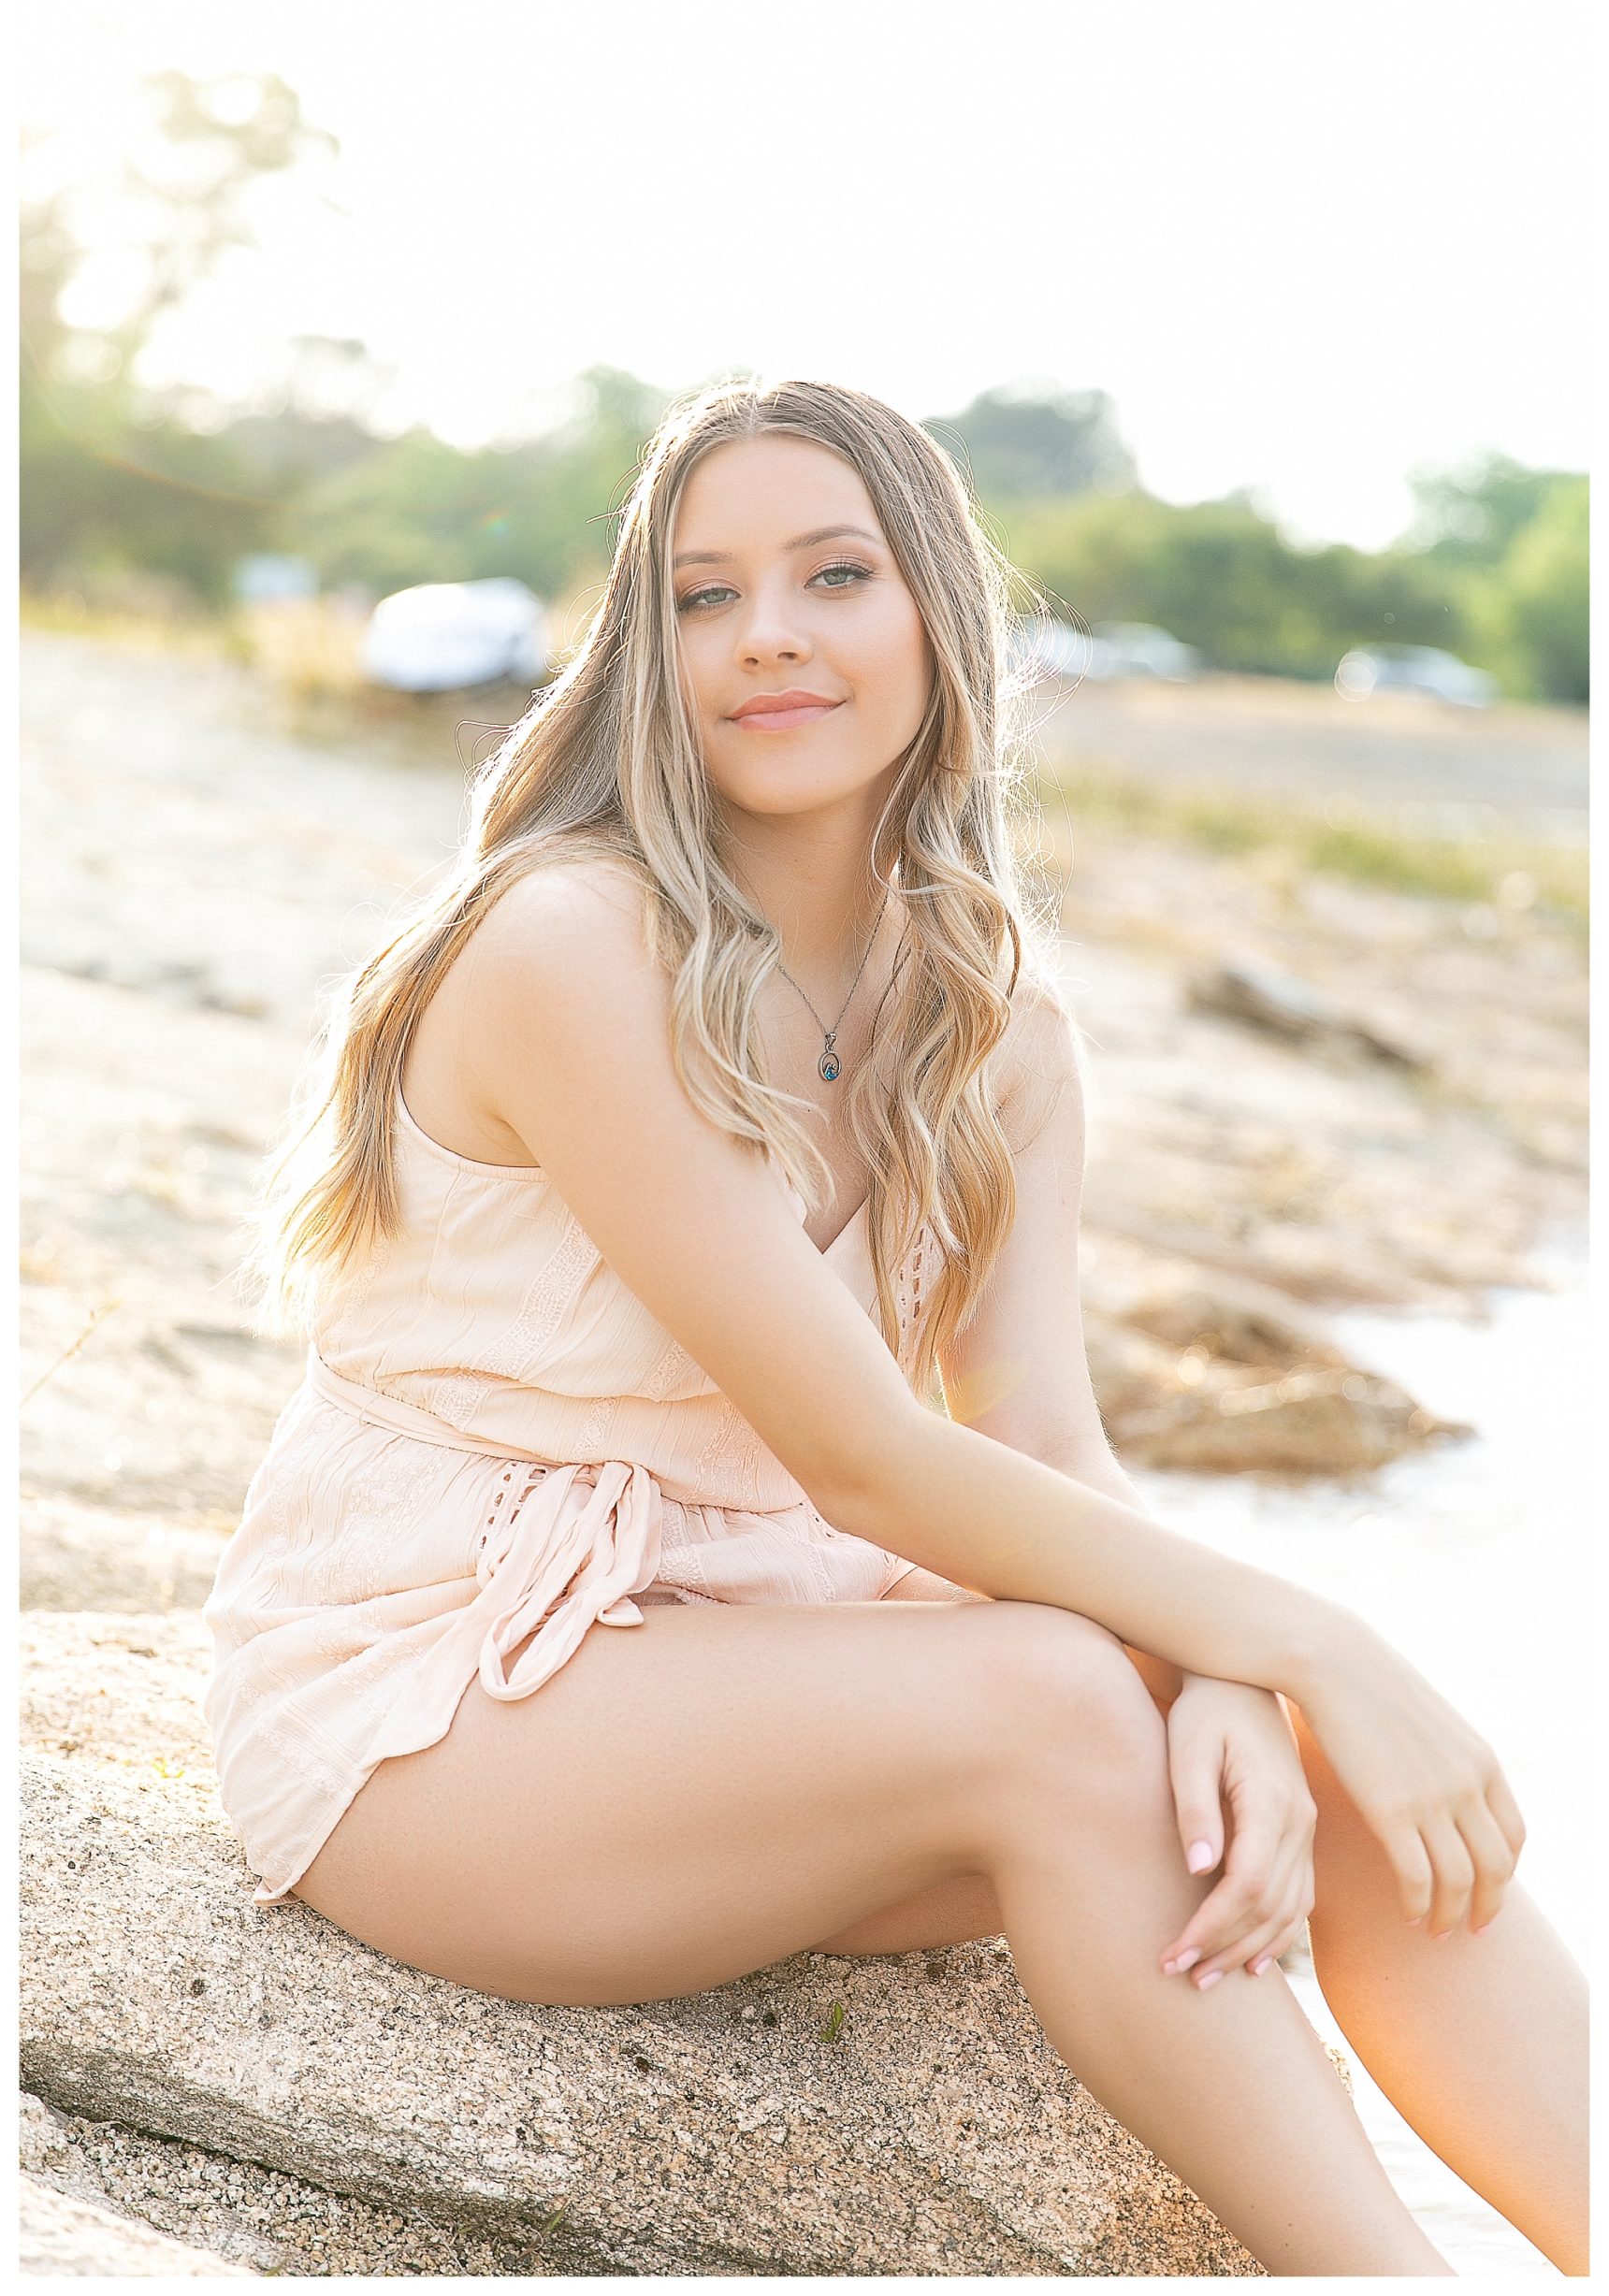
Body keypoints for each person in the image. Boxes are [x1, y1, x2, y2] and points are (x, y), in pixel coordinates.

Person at [204, 377, 1587, 2277]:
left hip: (755, 1660)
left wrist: (1236, 1677)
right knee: (1057, 1697)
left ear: (936, 615)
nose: (764, 632)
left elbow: (1031, 1433)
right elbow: (869, 1450)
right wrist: (1313, 1625)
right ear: (644, 653)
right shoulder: (568, 945)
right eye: (701, 595)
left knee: (1277, 1751)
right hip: (432, 1701)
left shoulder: (990, 1018)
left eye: (831, 573)